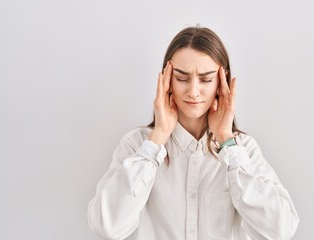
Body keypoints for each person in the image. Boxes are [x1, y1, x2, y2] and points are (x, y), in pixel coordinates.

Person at [87, 26, 299, 240]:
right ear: (166, 80)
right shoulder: (138, 144)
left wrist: (227, 141)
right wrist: (157, 138)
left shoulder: (244, 150)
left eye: (206, 79)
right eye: (181, 78)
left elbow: (280, 231)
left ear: (221, 82)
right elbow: (107, 226)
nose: (194, 91)